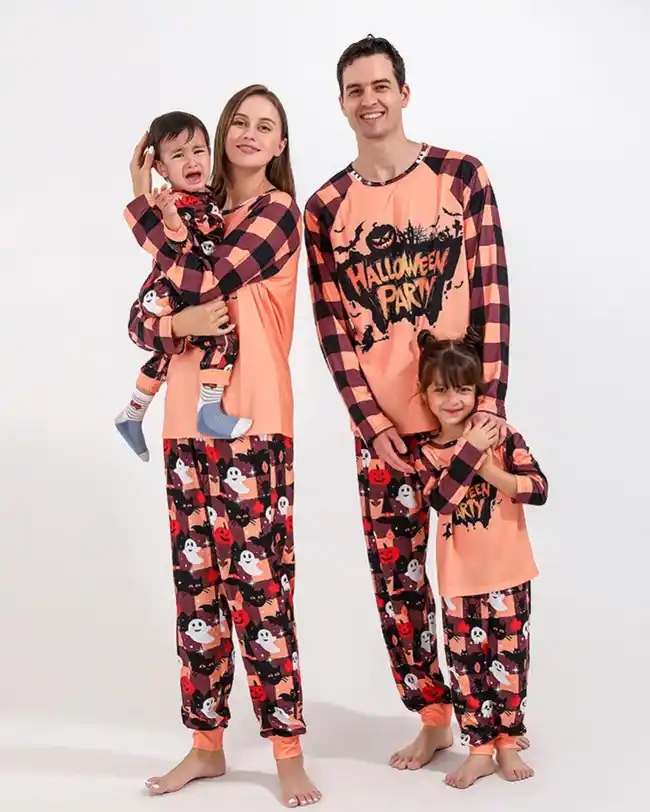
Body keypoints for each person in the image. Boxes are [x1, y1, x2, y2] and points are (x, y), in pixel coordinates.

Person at [305, 34, 526, 769]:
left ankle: (497, 723)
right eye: (354, 89)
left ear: (404, 92)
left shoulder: (462, 176)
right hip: (388, 438)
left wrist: (488, 414)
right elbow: (333, 330)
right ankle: (434, 716)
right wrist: (371, 428)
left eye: (381, 85)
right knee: (398, 584)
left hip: (465, 426)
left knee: (483, 582)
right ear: (340, 104)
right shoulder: (325, 206)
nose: (369, 99)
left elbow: (492, 297)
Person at [125, 84, 321, 808]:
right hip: (183, 422)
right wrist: (179, 322)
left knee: (260, 593)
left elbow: (207, 281)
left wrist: (141, 212)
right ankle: (206, 746)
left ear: (280, 146)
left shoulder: (275, 213)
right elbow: (143, 320)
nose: (249, 133)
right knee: (198, 593)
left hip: (251, 420)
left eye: (265, 126)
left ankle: (287, 751)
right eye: (239, 119)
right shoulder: (189, 217)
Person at [413, 330, 546, 788]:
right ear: (426, 394)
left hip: (509, 570)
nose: (453, 399)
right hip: (459, 578)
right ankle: (479, 748)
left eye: (463, 388)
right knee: (467, 665)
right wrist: (471, 452)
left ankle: (507, 740)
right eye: (441, 389)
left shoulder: (504, 436)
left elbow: (538, 489)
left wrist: (492, 469)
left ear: (477, 390)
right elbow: (441, 500)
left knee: (509, 660)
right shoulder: (428, 451)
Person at [115, 110, 251, 462]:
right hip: (169, 293)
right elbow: (174, 245)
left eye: (199, 151)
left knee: (165, 355)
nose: (192, 161)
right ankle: (210, 412)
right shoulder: (174, 201)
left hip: (171, 294)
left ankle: (132, 414)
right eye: (178, 155)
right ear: (161, 168)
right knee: (222, 338)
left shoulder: (208, 197)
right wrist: (170, 217)